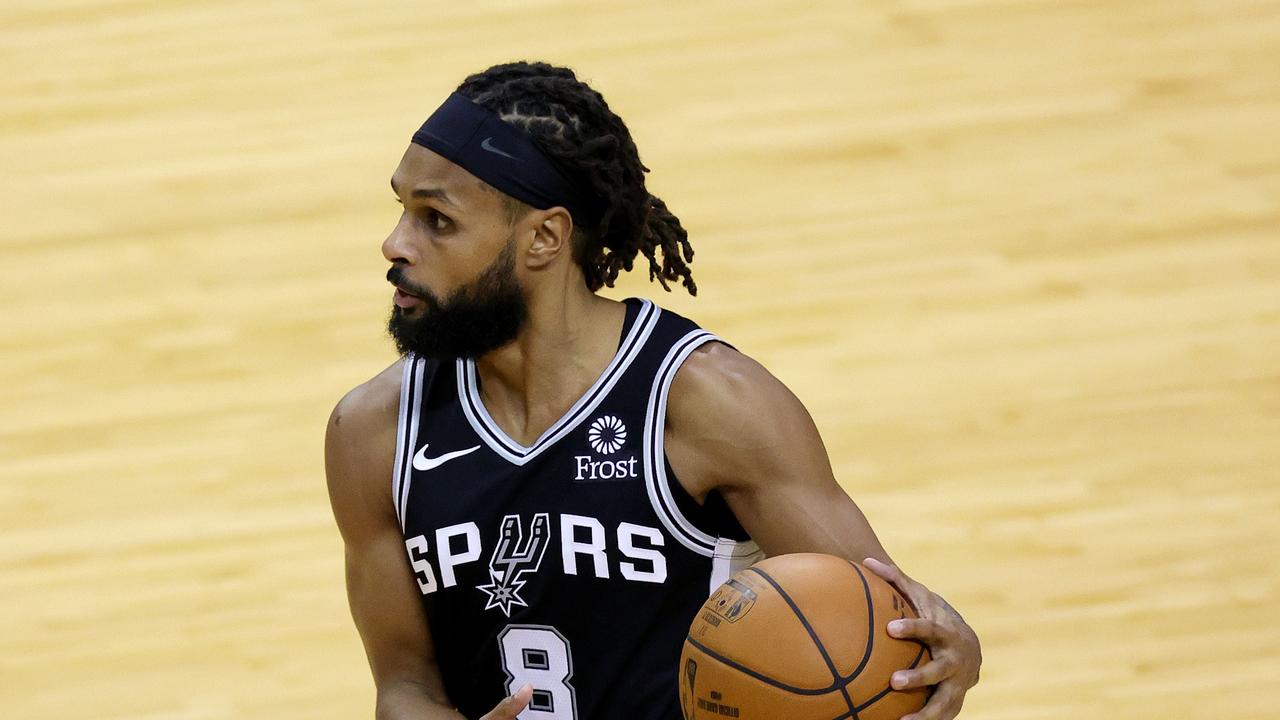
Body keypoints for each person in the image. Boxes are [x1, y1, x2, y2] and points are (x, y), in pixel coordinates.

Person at [325, 61, 981, 720]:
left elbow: (887, 635)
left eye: (435, 219)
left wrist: (949, 651)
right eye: (402, 209)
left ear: (544, 238)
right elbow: (404, 683)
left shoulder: (709, 405)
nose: (394, 244)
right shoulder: (375, 433)